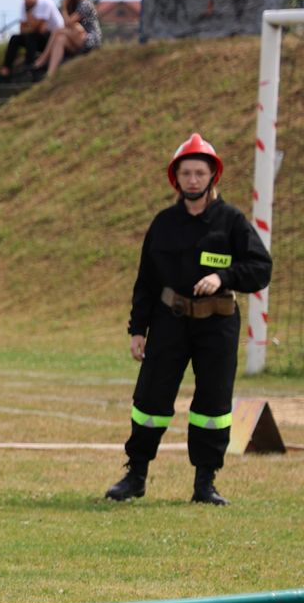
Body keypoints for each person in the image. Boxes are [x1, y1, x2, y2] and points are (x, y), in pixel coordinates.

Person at [105, 134, 271, 506]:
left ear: (213, 176)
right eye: (186, 173)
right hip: (169, 321)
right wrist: (137, 329)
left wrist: (224, 277)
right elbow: (146, 281)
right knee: (149, 400)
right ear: (175, 178)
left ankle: (205, 483)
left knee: (213, 404)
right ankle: (136, 475)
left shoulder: (231, 222)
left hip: (217, 323)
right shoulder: (163, 223)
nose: (193, 180)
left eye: (200, 172)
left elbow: (261, 268)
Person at [31, 0, 101, 81]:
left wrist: (64, 4)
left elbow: (68, 23)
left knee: (59, 30)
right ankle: (50, 73)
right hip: (77, 39)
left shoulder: (85, 3)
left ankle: (42, 60)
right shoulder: (73, 5)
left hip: (90, 40)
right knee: (60, 38)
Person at [0, 0, 64, 81]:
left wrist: (30, 22)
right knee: (15, 39)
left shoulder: (45, 2)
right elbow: (22, 29)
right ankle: (6, 69)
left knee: (31, 36)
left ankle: (30, 67)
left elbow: (40, 29)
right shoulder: (23, 5)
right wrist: (32, 25)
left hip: (53, 39)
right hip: (38, 37)